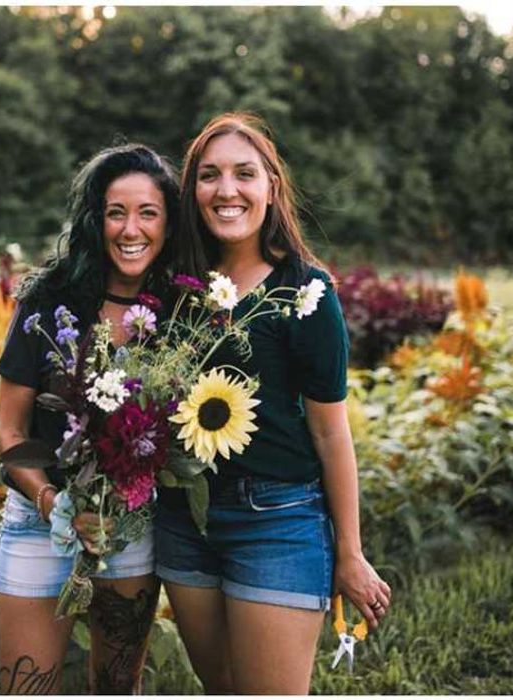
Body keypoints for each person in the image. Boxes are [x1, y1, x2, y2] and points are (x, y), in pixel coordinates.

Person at [154, 112, 392, 694]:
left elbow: (331, 433)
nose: (226, 190)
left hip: (277, 522)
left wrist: (350, 552)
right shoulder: (174, 286)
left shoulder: (305, 293)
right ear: (192, 191)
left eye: (244, 174)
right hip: (183, 520)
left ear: (271, 187)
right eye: (209, 175)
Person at [0, 144, 189, 693]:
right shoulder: (48, 300)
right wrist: (55, 505)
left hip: (128, 528)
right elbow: (10, 430)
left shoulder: (181, 312)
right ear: (94, 220)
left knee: (116, 689)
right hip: (39, 524)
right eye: (115, 212)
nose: (131, 229)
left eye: (148, 213)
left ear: (168, 223)